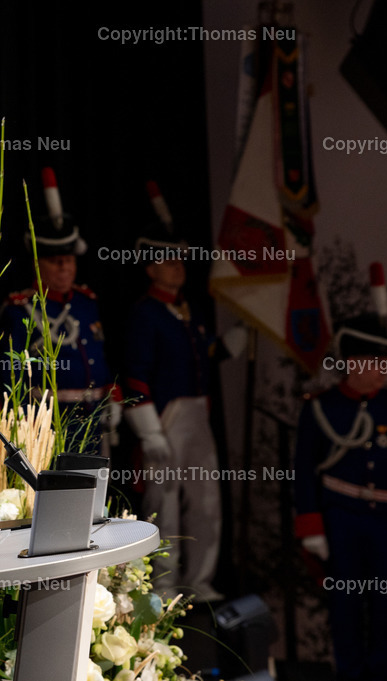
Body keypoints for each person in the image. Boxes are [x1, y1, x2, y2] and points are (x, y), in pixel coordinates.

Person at [123, 224, 241, 602]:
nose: (177, 266)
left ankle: (200, 580)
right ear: (150, 268)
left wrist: (243, 329)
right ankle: (165, 584)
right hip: (166, 419)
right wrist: (150, 431)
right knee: (165, 505)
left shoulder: (188, 312)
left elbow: (206, 353)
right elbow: (135, 374)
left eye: (179, 259)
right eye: (167, 260)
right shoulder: (146, 314)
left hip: (198, 417)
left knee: (207, 501)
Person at [294, 314, 387, 681]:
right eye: (376, 361)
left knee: (386, 611)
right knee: (345, 609)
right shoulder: (320, 408)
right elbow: (303, 472)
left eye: (386, 361)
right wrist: (312, 527)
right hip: (342, 522)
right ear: (352, 363)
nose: (384, 370)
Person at [2, 168, 120, 456]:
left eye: (69, 260)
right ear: (38, 264)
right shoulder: (20, 309)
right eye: (56, 261)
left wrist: (112, 396)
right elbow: (12, 374)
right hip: (48, 418)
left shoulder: (86, 301)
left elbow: (99, 355)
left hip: (93, 416)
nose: (65, 268)